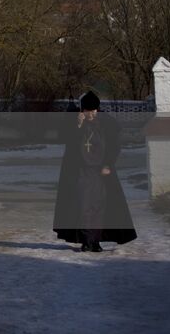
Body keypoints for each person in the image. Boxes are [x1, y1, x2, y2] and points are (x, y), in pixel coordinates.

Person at [53, 90, 136, 251]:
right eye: (87, 111)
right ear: (82, 110)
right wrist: (77, 125)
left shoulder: (106, 124)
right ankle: (86, 240)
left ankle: (96, 240)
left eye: (93, 110)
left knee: (100, 206)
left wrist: (108, 164)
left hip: (100, 172)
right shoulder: (74, 122)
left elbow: (114, 146)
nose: (90, 114)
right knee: (83, 206)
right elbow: (65, 140)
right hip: (81, 171)